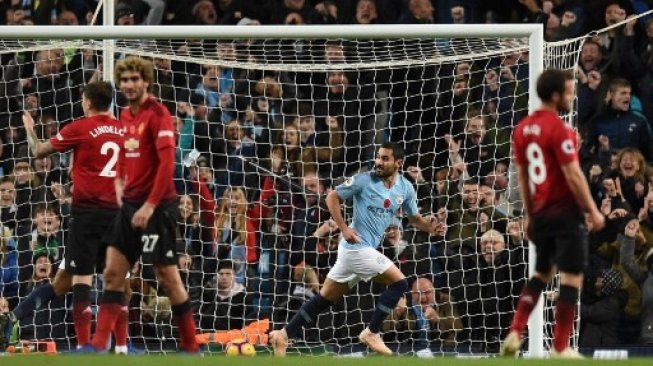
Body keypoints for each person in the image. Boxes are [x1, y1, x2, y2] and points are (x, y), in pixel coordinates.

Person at [269, 142, 439, 356]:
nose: (378, 161)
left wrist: (431, 227)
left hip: (358, 252)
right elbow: (332, 197)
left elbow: (414, 219)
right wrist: (344, 227)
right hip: (356, 247)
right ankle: (372, 332)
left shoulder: (405, 187)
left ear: (398, 163)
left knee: (324, 299)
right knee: (400, 283)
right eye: (378, 157)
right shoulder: (364, 180)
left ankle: (283, 335)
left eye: (385, 158)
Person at [0, 81, 130, 352]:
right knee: (93, 282)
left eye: (83, 99)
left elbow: (38, 152)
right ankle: (121, 348)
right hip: (118, 216)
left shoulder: (81, 127)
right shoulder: (125, 131)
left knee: (81, 279)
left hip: (86, 215)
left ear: (88, 103)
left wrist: (29, 130)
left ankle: (84, 347)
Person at [84, 56, 197, 353]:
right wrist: (120, 181)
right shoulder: (124, 114)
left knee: (167, 277)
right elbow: (123, 152)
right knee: (112, 272)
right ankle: (97, 347)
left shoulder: (158, 114)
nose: (130, 85)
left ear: (146, 80)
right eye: (125, 80)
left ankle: (190, 345)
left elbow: (166, 164)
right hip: (131, 205)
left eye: (135, 79)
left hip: (158, 208)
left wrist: (150, 205)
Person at [500, 69, 605, 359]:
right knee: (572, 277)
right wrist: (593, 211)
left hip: (541, 213)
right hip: (565, 212)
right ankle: (560, 347)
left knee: (541, 274)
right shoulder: (561, 130)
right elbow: (572, 174)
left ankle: (515, 330)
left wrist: (531, 217)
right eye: (570, 91)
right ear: (556, 95)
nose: (572, 96)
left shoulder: (521, 129)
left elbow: (522, 178)